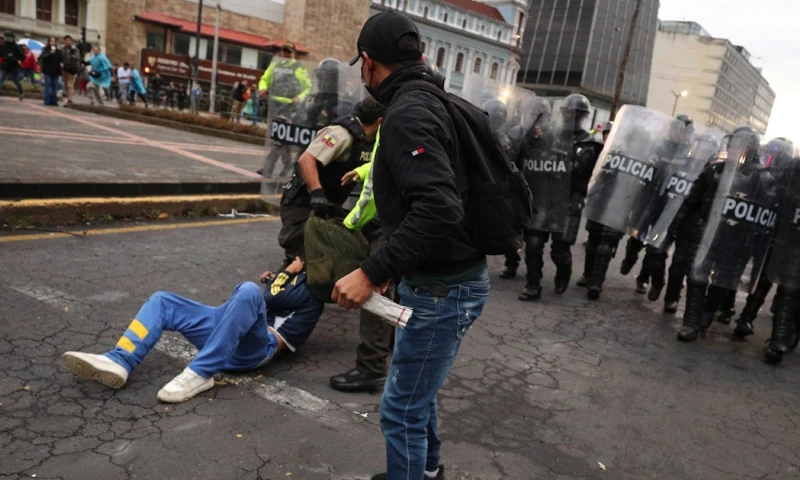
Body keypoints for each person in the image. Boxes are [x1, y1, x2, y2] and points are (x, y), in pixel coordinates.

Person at [336, 12, 489, 480]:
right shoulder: (433, 100)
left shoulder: (408, 112)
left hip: (443, 289)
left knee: (400, 407)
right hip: (443, 280)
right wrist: (395, 268)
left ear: (368, 62)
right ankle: (428, 470)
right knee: (418, 392)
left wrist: (372, 269)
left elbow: (439, 207)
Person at [62, 257, 324, 403]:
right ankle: (121, 359)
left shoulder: (313, 298)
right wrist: (281, 277)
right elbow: (271, 298)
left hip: (256, 348)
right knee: (162, 301)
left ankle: (201, 373)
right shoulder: (291, 282)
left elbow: (270, 300)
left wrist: (284, 275)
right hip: (227, 329)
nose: (294, 262)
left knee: (248, 290)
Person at [677, 127, 777, 342]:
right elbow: (693, 198)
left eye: (740, 146)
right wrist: (678, 223)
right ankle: (691, 321)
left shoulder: (762, 177)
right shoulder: (715, 170)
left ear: (751, 149)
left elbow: (766, 212)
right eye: (732, 144)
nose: (734, 149)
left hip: (736, 239)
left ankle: (709, 309)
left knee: (724, 280)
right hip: (708, 231)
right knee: (696, 273)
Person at [514, 94, 602, 301]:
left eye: (576, 113)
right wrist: (532, 139)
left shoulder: (590, 143)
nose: (571, 116)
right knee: (533, 242)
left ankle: (564, 272)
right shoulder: (549, 135)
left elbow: (584, 171)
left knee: (560, 249)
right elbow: (527, 156)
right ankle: (533, 284)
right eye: (568, 112)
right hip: (545, 195)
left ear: (584, 116)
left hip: (569, 199)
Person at [277, 97, 383, 265]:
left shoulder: (374, 141)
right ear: (379, 121)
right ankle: (283, 280)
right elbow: (306, 159)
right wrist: (317, 192)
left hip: (330, 205)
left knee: (337, 254)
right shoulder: (341, 134)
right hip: (302, 202)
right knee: (302, 258)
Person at [618, 114, 695, 300]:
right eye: (676, 130)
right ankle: (630, 256)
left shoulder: (690, 156)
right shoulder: (658, 147)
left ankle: (645, 278)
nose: (679, 135)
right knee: (636, 236)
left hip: (667, 206)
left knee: (654, 247)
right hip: (648, 200)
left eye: (683, 132)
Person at [258, 41, 312, 177]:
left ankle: (268, 168)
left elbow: (308, 86)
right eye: (284, 51)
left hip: (289, 107)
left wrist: (300, 97)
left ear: (294, 53)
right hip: (274, 105)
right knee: (280, 140)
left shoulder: (298, 67)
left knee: (279, 139)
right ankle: (287, 165)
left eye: (289, 51)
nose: (286, 54)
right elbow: (264, 79)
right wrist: (263, 88)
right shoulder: (276, 64)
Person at [0, 31, 24, 100]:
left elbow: (22, 55)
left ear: (13, 38)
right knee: (1, 79)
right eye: (7, 37)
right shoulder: (3, 45)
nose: (8, 38)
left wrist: (19, 60)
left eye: (9, 37)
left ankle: (21, 92)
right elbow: (2, 54)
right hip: (5, 65)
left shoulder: (16, 46)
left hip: (14, 66)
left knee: (15, 80)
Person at [38, 37, 62, 107]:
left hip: (56, 71)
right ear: (49, 42)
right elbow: (42, 57)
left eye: (54, 41)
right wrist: (50, 53)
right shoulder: (45, 49)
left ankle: (54, 101)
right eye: (51, 41)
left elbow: (61, 59)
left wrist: (61, 63)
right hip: (47, 70)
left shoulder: (58, 51)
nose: (52, 43)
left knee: (54, 86)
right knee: (48, 85)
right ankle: (47, 100)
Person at [60, 35, 80, 106]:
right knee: (66, 84)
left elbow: (78, 57)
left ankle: (70, 99)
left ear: (71, 41)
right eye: (66, 40)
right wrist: (61, 63)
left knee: (70, 84)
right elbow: (60, 57)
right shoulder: (62, 49)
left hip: (72, 69)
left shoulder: (75, 49)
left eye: (69, 40)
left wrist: (75, 57)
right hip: (64, 69)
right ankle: (68, 97)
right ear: (64, 41)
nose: (68, 42)